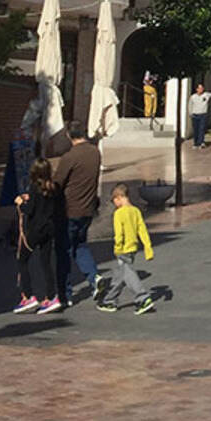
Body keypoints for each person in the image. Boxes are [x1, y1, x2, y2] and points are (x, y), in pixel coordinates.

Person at [51, 121, 103, 305]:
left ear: (68, 136)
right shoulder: (95, 153)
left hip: (69, 210)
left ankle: (65, 294)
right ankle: (94, 278)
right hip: (88, 208)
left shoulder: (69, 157)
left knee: (64, 251)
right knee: (81, 246)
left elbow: (57, 184)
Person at [11, 159, 63, 315]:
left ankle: (28, 296)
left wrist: (20, 203)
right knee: (46, 262)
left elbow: (30, 210)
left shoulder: (34, 187)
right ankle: (52, 296)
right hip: (49, 228)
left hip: (36, 229)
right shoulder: (54, 187)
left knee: (22, 260)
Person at [96, 184, 157, 314]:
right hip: (133, 247)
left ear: (119, 198)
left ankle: (142, 297)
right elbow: (142, 230)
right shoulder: (135, 211)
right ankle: (109, 300)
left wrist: (117, 247)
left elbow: (119, 234)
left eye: (114, 201)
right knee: (120, 275)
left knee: (128, 274)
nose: (115, 204)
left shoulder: (119, 213)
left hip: (123, 248)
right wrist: (148, 247)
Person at [187, 83, 211, 148]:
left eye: (202, 88)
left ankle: (201, 142)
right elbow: (190, 105)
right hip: (195, 115)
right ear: (197, 89)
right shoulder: (193, 97)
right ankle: (196, 143)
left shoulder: (206, 95)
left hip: (203, 114)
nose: (201, 89)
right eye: (200, 88)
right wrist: (190, 113)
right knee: (196, 129)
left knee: (202, 128)